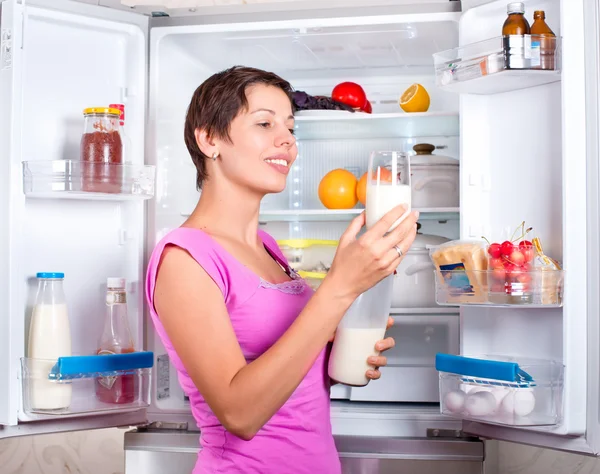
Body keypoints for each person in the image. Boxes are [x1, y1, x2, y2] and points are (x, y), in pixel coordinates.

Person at [145, 66, 419, 474]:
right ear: (209, 139)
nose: (287, 140)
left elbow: (288, 364)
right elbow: (240, 414)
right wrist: (338, 289)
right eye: (264, 123)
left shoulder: (267, 248)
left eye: (290, 126)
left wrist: (338, 353)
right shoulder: (184, 259)